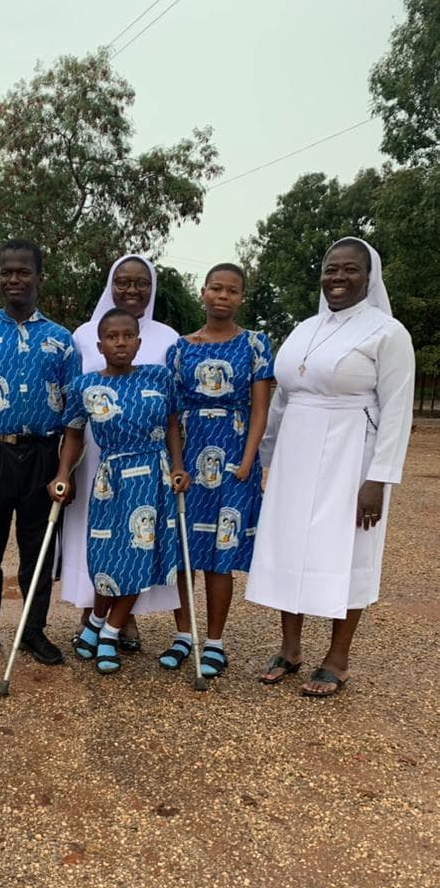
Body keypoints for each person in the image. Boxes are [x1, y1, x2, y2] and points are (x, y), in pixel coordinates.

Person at [246, 237, 415, 697]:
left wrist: (377, 481)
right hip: (295, 455)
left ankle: (337, 659)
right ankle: (290, 648)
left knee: (348, 550)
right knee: (289, 547)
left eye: (349, 270)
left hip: (352, 454)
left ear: (369, 276)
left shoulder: (387, 332)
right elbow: (281, 400)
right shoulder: (304, 327)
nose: (337, 278)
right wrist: (266, 460)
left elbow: (397, 410)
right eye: (330, 269)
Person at [0, 238, 80, 666]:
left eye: (23, 271)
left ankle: (33, 631)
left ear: (39, 278)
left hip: (44, 455)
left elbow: (73, 413)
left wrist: (65, 468)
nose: (14, 279)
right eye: (6, 272)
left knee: (38, 551)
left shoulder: (61, 340)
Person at [48, 308, 189, 673]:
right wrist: (62, 473)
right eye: (113, 337)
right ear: (100, 344)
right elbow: (74, 435)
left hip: (152, 479)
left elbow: (173, 425)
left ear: (139, 343)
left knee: (138, 557)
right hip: (111, 478)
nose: (121, 343)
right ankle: (96, 620)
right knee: (107, 557)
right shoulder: (84, 387)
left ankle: (108, 630)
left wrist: (177, 466)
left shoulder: (159, 377)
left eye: (128, 336)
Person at [162, 263, 273, 678]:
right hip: (189, 458)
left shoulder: (255, 345)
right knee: (186, 552)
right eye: (216, 289)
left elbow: (260, 409)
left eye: (232, 291)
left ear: (241, 297)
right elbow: (172, 414)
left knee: (219, 558)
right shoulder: (180, 348)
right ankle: (183, 635)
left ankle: (214, 642)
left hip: (233, 458)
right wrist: (175, 463)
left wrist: (246, 463)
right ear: (203, 292)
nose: (223, 296)